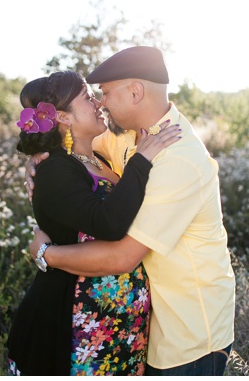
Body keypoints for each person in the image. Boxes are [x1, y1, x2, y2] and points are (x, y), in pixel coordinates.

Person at [27, 46, 236, 376]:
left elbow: (124, 256)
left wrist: (44, 253)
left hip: (187, 333)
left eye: (106, 93)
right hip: (146, 327)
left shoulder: (177, 157)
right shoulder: (129, 137)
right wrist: (36, 161)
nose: (101, 103)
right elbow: (73, 144)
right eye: (94, 96)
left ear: (136, 91)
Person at [7, 70, 180, 375]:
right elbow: (108, 224)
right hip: (80, 325)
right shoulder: (54, 170)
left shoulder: (99, 159)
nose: (98, 103)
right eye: (87, 97)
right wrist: (142, 159)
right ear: (63, 117)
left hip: (119, 324)